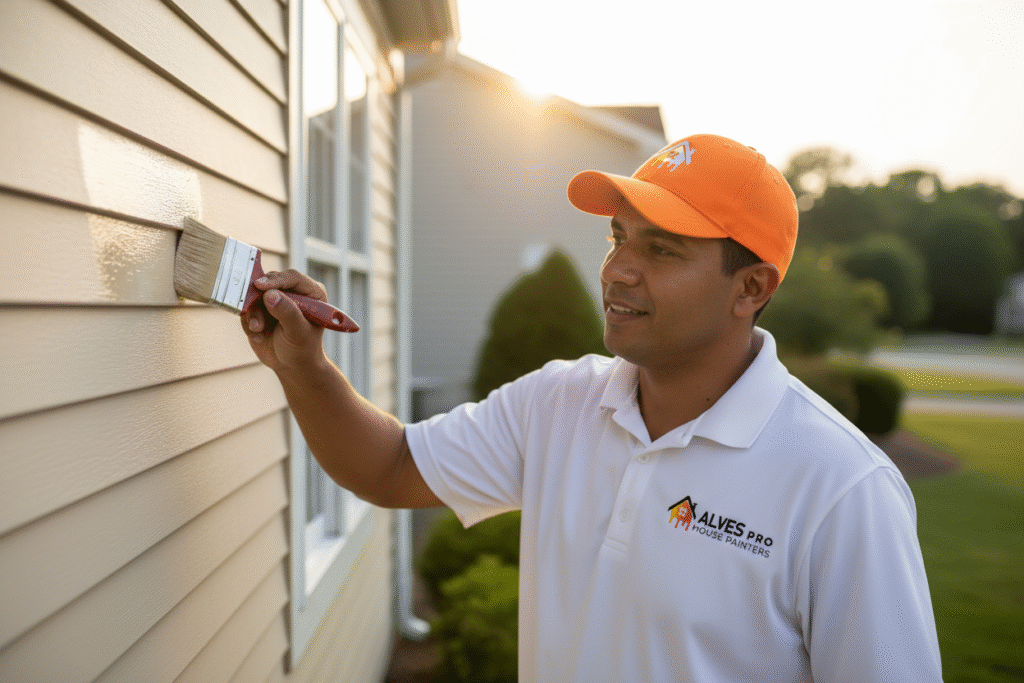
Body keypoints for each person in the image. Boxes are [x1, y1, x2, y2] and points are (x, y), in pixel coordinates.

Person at [242, 134, 944, 682]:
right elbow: (392, 466)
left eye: (661, 249)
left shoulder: (842, 488)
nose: (616, 269)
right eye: (617, 236)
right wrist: (303, 368)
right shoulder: (559, 401)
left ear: (750, 286)